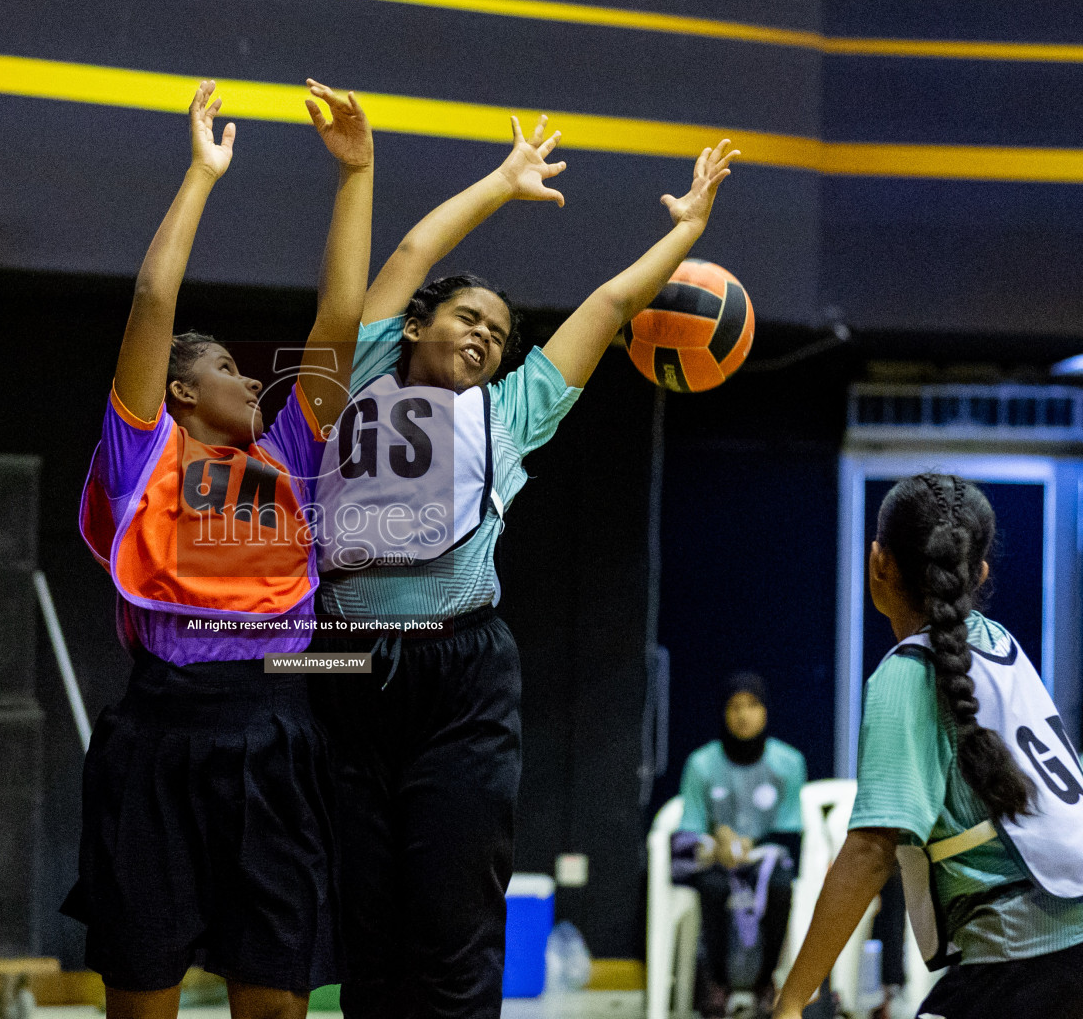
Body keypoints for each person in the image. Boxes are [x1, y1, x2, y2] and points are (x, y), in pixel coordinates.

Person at [309, 119, 739, 1018]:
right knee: (367, 920)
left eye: (499, 336)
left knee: (454, 915)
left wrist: (688, 232)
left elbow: (611, 308)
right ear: (417, 324)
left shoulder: (511, 414)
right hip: (345, 659)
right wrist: (504, 182)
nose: (485, 338)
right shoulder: (358, 372)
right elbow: (416, 245)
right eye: (469, 318)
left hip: (462, 673)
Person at [61, 78, 373, 1019]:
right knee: (142, 1002)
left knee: (275, 1004)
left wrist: (356, 174)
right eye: (231, 369)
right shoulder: (142, 455)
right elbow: (155, 294)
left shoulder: (290, 457)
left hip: (272, 730)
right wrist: (202, 174)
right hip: (156, 737)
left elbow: (340, 320)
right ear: (184, 393)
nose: (251, 379)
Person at [774, 474, 1083, 1019]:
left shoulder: (908, 674)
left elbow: (870, 852)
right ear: (979, 573)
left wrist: (793, 1000)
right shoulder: (999, 643)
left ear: (878, 562)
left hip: (1026, 954)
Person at [673, 672, 806, 1017]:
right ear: (723, 713)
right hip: (717, 863)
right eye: (734, 706)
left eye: (752, 705)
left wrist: (752, 845)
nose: (743, 714)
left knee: (780, 887)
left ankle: (766, 983)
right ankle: (716, 984)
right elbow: (682, 842)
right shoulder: (701, 764)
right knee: (712, 886)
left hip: (768, 862)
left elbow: (793, 834)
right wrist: (714, 844)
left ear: (765, 711)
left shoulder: (788, 763)